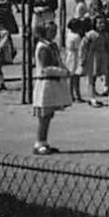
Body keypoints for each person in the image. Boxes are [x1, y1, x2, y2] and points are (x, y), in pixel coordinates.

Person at [30, 20, 72, 155]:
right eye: (50, 31)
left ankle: (44, 141)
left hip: (53, 83)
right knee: (44, 115)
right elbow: (46, 69)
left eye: (55, 30)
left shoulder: (52, 46)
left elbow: (59, 61)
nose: (53, 33)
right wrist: (64, 73)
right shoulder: (43, 47)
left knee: (48, 115)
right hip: (46, 84)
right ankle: (39, 142)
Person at [81, 5, 109, 107]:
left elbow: (108, 47)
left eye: (103, 23)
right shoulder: (90, 34)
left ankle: (97, 94)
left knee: (101, 75)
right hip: (92, 57)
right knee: (91, 78)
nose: (102, 25)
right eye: (99, 23)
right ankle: (92, 97)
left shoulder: (105, 35)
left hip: (102, 56)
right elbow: (83, 46)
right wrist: (83, 58)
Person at [63, 18, 88, 104]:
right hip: (76, 56)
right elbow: (79, 48)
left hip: (69, 55)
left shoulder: (69, 34)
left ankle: (70, 95)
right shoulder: (77, 36)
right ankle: (77, 96)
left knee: (71, 77)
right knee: (76, 78)